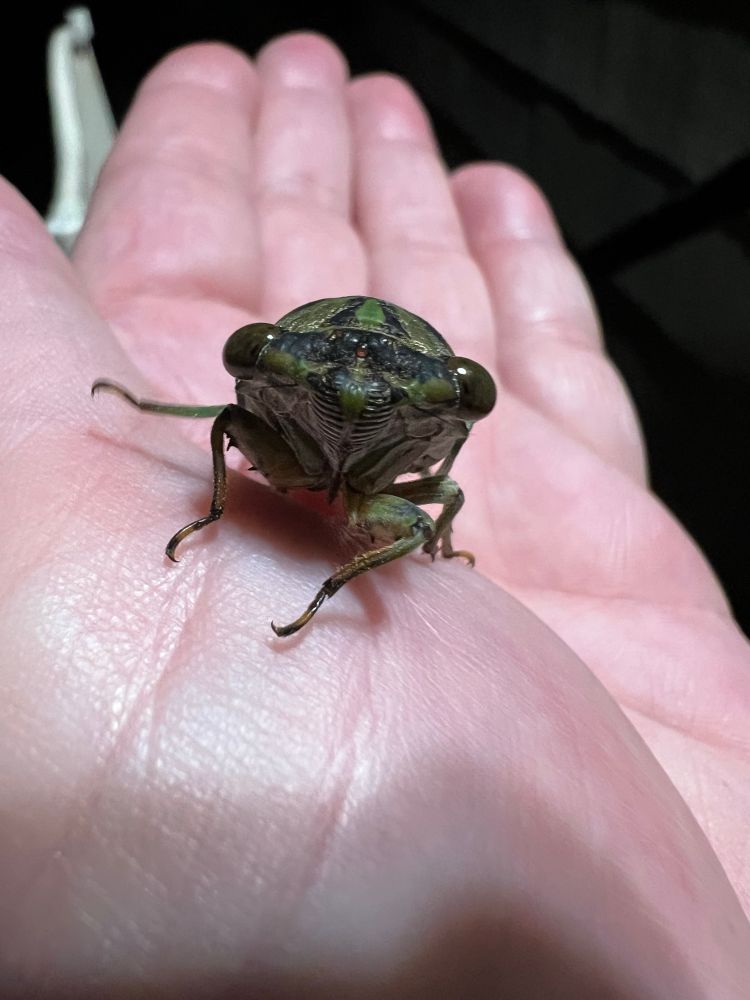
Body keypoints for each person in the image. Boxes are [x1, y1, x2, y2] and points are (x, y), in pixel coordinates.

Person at [0, 32, 747, 998]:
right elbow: (234, 418)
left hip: (372, 469)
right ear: (274, 362)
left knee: (440, 500)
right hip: (286, 443)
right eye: (278, 362)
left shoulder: (426, 466)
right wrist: (174, 432)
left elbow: (441, 479)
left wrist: (390, 543)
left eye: (447, 399)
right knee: (232, 423)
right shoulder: (273, 404)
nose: (355, 405)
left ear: (447, 409)